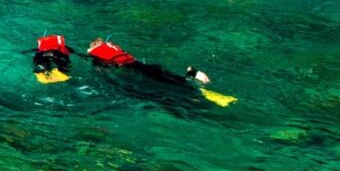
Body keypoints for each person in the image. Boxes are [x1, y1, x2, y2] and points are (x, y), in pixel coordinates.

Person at [86, 38, 234, 105]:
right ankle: (192, 76)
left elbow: (100, 68)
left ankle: (197, 85)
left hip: (142, 70)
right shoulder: (113, 47)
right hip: (148, 66)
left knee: (174, 84)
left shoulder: (97, 52)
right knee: (170, 77)